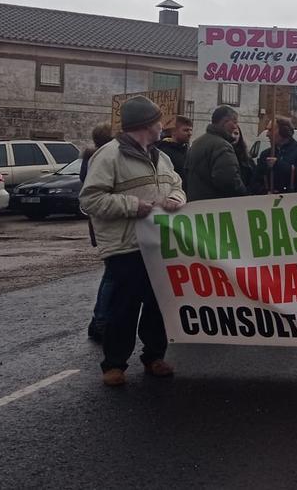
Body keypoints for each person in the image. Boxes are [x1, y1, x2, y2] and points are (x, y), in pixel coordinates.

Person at [79, 96, 186, 386]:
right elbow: (90, 199)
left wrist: (176, 198)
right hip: (126, 246)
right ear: (146, 125)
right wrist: (131, 205)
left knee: (159, 303)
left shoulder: (160, 157)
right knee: (123, 307)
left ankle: (154, 356)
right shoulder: (109, 156)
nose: (162, 126)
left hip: (159, 244)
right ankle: (114, 365)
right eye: (158, 120)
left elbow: (176, 185)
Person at [82, 123, 115, 342]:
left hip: (100, 224)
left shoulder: (91, 159)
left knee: (110, 273)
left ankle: (100, 319)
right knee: (112, 274)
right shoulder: (100, 161)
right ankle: (101, 320)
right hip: (106, 225)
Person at [186, 105, 249, 201]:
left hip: (197, 204)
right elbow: (228, 181)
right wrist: (245, 195)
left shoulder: (196, 143)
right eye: (235, 122)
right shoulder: (222, 145)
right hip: (216, 205)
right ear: (225, 122)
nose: (236, 126)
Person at [254, 117, 297, 194]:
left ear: (284, 131)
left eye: (270, 130)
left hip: (295, 201)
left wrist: (278, 164)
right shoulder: (265, 154)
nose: (267, 134)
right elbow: (255, 182)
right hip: (270, 203)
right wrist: (265, 191)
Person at [155, 116, 192, 181]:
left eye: (191, 130)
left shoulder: (187, 150)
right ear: (174, 131)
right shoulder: (164, 152)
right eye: (185, 130)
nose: (190, 133)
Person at [230, 124, 255, 190]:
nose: (233, 136)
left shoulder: (246, 157)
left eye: (236, 133)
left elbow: (253, 177)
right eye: (230, 133)